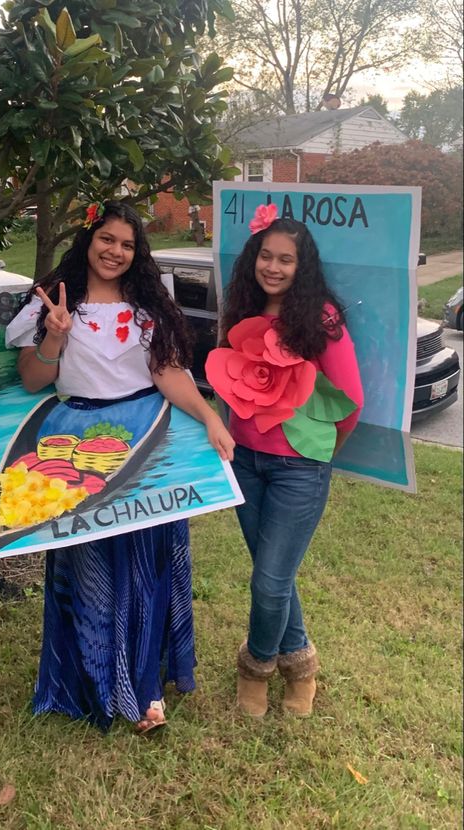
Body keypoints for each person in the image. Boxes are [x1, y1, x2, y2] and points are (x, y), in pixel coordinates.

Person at [5, 200, 235, 733]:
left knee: (147, 564)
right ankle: (91, 683)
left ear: (138, 253)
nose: (116, 251)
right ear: (89, 240)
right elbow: (32, 381)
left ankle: (147, 688)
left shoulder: (149, 306)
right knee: (89, 567)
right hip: (77, 445)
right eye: (107, 239)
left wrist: (208, 417)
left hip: (145, 439)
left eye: (128, 244)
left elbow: (167, 375)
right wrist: (56, 335)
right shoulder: (53, 302)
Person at [206, 204, 364, 718]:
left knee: (269, 581)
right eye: (266, 256)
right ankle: (303, 664)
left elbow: (350, 400)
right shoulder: (243, 311)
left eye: (287, 260)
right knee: (273, 576)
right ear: (254, 258)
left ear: (303, 266)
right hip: (246, 462)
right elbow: (230, 383)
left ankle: (256, 665)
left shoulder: (321, 318)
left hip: (300, 470)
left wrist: (319, 455)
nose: (273, 267)